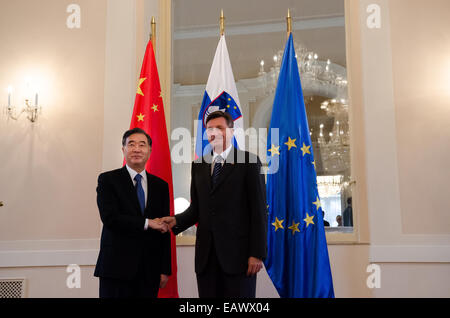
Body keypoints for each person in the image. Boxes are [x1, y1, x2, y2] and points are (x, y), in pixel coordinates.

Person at [162, 111, 267, 298]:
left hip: (239, 257)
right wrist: (174, 221)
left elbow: (258, 211)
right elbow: (197, 209)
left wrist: (257, 253)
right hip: (206, 258)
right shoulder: (199, 165)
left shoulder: (249, 161)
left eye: (220, 128)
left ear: (232, 131)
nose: (214, 133)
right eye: (210, 129)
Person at [94, 128, 171, 298]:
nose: (137, 149)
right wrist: (147, 222)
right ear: (123, 150)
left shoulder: (161, 186)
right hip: (116, 268)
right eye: (131, 144)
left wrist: (165, 269)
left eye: (142, 145)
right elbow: (110, 218)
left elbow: (163, 228)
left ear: (149, 151)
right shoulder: (108, 180)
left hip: (149, 271)